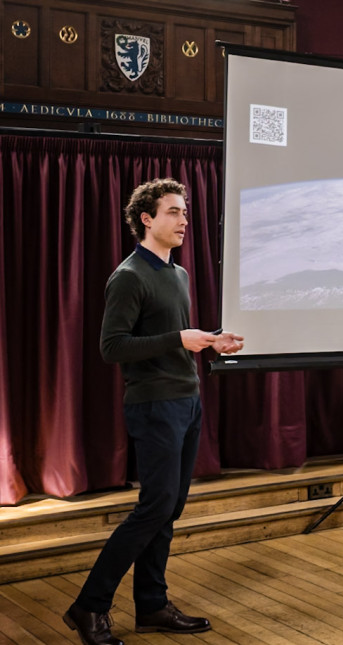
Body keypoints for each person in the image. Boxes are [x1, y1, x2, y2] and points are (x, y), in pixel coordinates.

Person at [66, 179, 244, 645]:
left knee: (170, 509)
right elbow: (112, 347)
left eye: (185, 213)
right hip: (153, 406)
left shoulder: (178, 274)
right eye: (174, 212)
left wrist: (209, 343)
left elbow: (173, 340)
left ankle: (151, 605)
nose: (185, 220)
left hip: (188, 400)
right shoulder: (128, 276)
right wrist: (178, 339)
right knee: (154, 508)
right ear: (146, 219)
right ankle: (89, 606)